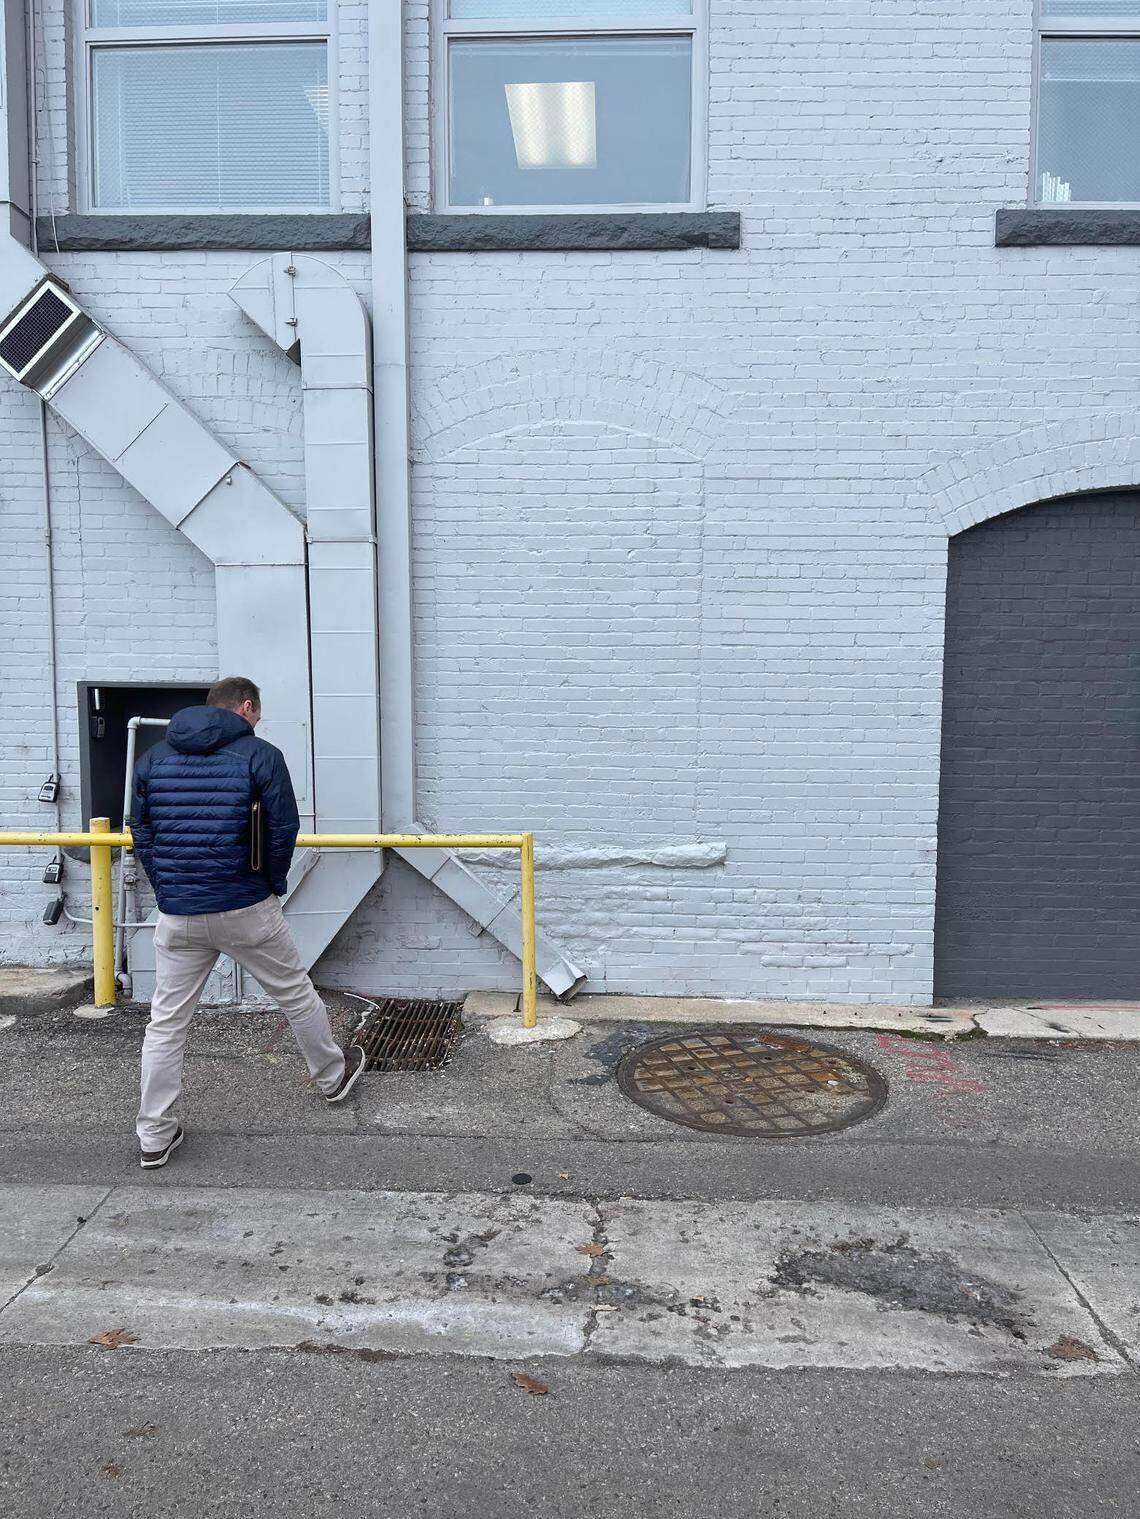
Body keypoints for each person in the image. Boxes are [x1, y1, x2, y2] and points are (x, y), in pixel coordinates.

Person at [130, 675, 364, 1168]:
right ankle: (332, 1079)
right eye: (258, 711)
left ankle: (154, 1135)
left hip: (178, 912)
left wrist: (168, 889)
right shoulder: (260, 755)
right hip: (246, 905)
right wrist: (270, 884)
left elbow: (141, 831)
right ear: (246, 706)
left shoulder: (153, 758)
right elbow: (283, 827)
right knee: (295, 993)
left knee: (166, 1023)